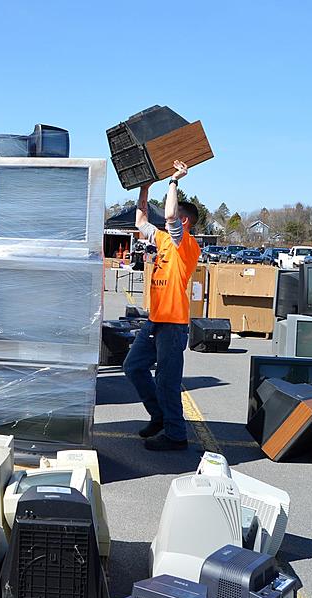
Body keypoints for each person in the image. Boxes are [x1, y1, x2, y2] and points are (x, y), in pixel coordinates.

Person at [123, 160, 202, 451]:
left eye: (175, 219)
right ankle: (159, 416)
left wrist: (173, 181)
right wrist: (145, 187)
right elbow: (141, 222)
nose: (168, 220)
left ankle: (176, 434)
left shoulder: (185, 244)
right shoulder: (164, 239)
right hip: (156, 319)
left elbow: (169, 214)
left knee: (168, 380)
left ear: (184, 223)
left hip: (174, 324)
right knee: (133, 366)